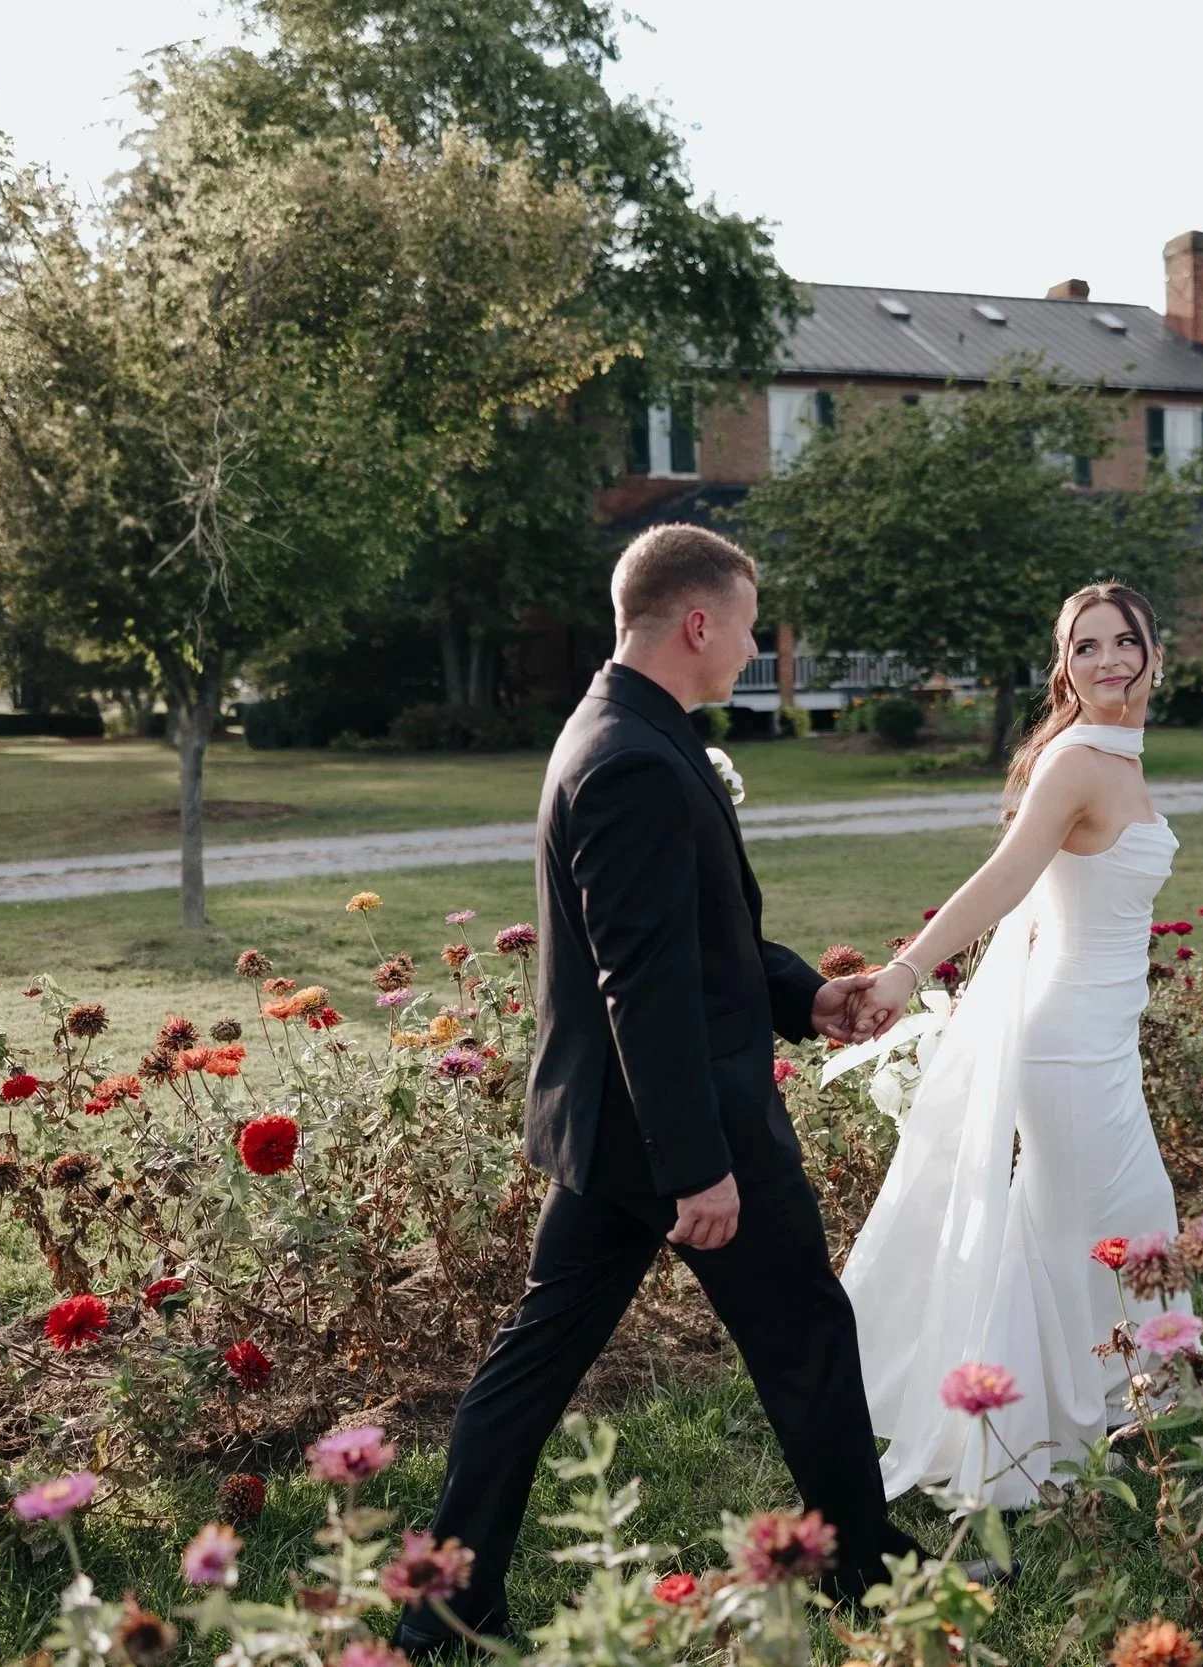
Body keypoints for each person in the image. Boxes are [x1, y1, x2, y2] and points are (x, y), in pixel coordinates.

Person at [396, 524, 919, 1654]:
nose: (751, 648)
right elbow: (641, 983)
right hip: (677, 1128)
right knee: (807, 1337)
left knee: (535, 1361)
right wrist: (699, 1167)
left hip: (614, 1129)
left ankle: (442, 1603)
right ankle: (870, 1573)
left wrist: (807, 996)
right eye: (746, 626)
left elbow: (697, 940)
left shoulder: (624, 727)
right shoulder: (632, 757)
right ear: (698, 623)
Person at [840, 582, 1191, 1509]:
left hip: (1104, 1038)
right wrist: (909, 971)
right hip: (1066, 1046)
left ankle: (1134, 1390)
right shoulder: (1078, 760)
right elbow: (1003, 879)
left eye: (1125, 640)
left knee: (1116, 1218)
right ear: (1063, 666)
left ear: (1157, 650)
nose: (1109, 659)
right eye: (1087, 647)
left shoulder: (1123, 752)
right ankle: (1023, 1435)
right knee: (1080, 1230)